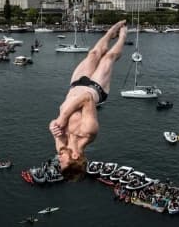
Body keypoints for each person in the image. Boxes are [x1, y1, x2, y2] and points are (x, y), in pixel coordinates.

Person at [49, 20, 127, 179]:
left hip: (75, 86)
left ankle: (110, 32)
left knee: (93, 53)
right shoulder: (88, 132)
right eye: (62, 162)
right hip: (95, 89)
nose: (58, 159)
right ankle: (123, 36)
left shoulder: (61, 148)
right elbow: (87, 99)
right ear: (76, 157)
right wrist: (63, 118)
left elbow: (54, 126)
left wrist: (53, 126)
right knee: (108, 57)